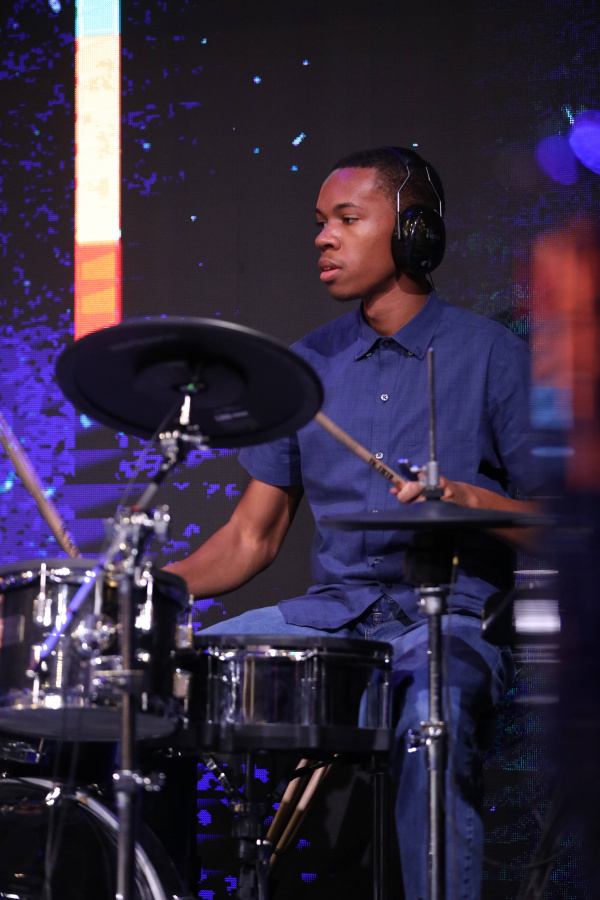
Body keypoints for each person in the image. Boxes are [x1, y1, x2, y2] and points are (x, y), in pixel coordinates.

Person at [168, 146, 538, 899]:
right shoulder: (305, 368)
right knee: (171, 687)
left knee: (431, 721)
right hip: (332, 623)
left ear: (412, 232)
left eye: (346, 218)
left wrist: (467, 501)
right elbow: (250, 538)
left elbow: (563, 525)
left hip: (450, 620)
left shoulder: (493, 356)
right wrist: (140, 593)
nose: (323, 238)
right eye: (318, 222)